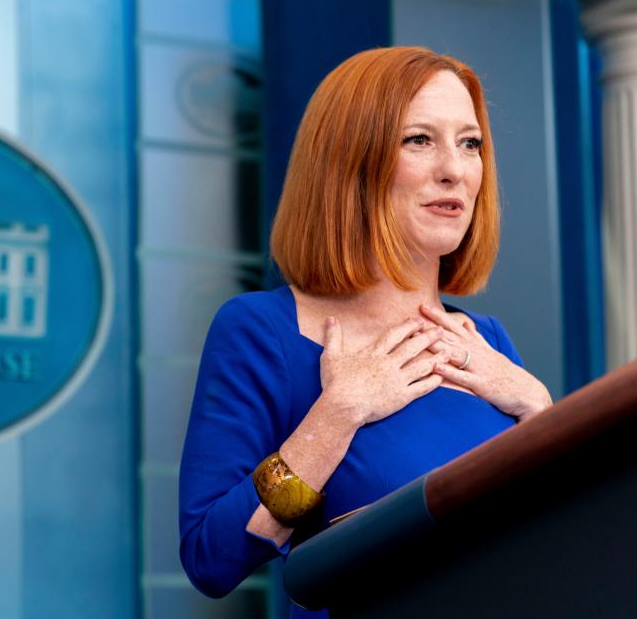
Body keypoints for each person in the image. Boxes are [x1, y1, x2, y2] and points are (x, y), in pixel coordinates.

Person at [178, 46, 554, 618]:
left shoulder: (488, 340)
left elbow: (544, 544)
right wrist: (339, 414)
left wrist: (539, 410)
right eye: (419, 140)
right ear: (349, 162)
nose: (455, 168)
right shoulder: (261, 331)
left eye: (470, 142)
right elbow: (210, 558)